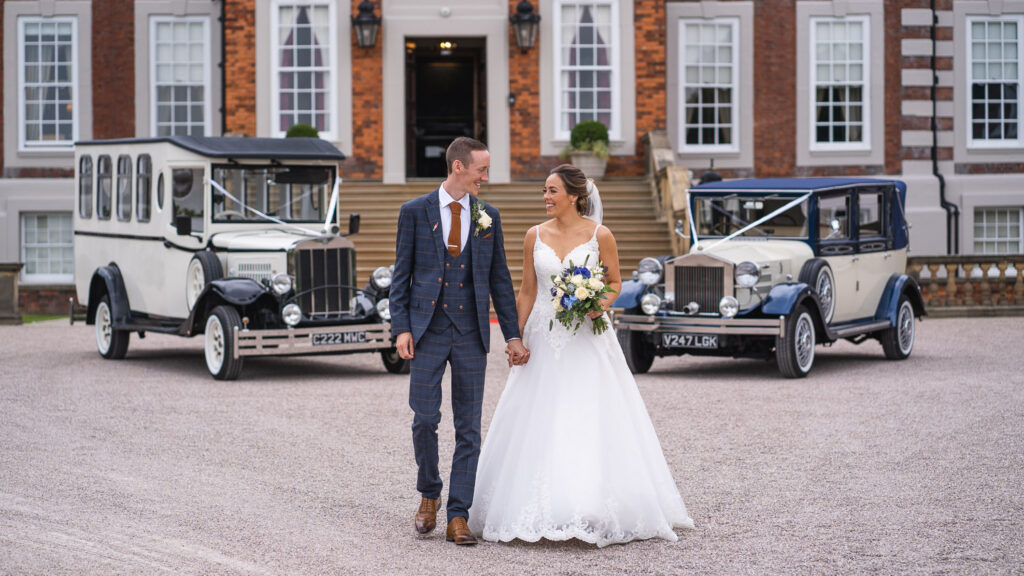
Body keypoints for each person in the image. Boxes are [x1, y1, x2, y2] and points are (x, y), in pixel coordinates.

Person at [467, 164, 695, 547]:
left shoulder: (600, 235)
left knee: (587, 415)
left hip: (586, 338)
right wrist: (514, 338)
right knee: (538, 416)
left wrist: (597, 304)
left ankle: (590, 505)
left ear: (573, 196)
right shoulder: (534, 235)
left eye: (552, 191)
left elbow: (615, 282)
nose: (545, 197)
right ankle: (535, 507)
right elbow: (526, 291)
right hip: (543, 336)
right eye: (544, 190)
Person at [389, 137, 530, 546]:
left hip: (471, 332)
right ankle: (429, 492)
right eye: (481, 170)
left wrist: (513, 335)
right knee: (424, 418)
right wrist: (401, 328)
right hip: (427, 331)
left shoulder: (489, 216)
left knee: (468, 427)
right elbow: (401, 275)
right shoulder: (414, 212)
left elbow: (500, 280)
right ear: (458, 167)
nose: (485, 177)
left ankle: (458, 515)